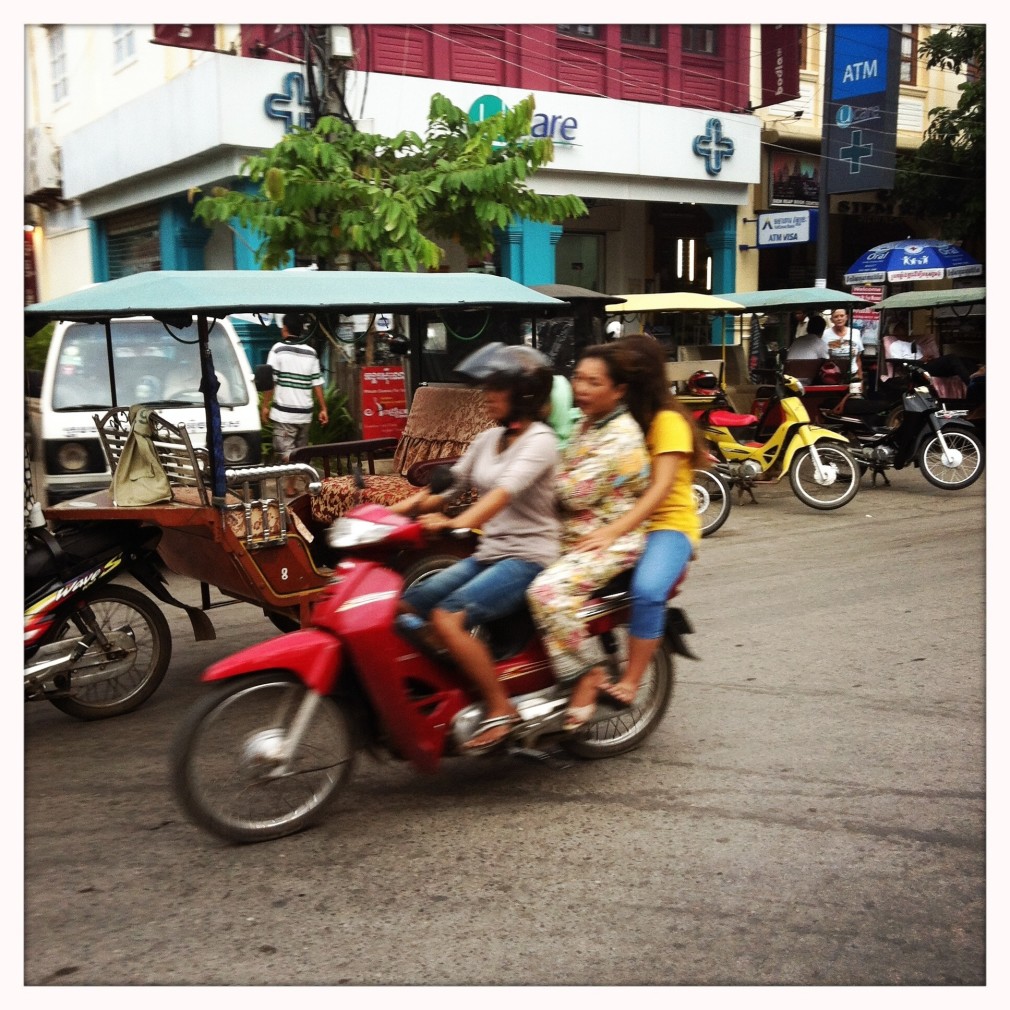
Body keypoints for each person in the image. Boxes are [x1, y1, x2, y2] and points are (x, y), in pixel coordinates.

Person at [391, 343, 561, 753]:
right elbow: (443, 490)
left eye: (496, 387)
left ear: (524, 394)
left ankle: (501, 707)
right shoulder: (487, 439)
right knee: (399, 608)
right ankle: (461, 675)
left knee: (448, 618)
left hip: (528, 558)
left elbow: (500, 495)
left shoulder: (541, 441)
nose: (486, 396)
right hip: (489, 554)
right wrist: (383, 519)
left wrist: (457, 523)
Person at [548, 334, 707, 723]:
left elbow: (659, 491)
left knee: (648, 590)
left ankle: (632, 681)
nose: (586, 387)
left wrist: (612, 531)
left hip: (666, 526)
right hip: (625, 520)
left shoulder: (668, 421)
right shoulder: (620, 418)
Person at [526, 344, 651, 730]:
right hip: (569, 534)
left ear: (618, 391)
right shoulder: (584, 423)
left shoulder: (622, 437)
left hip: (610, 540)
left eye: (594, 382)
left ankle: (588, 671)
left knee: (546, 593)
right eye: (578, 378)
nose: (581, 387)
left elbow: (573, 492)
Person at [261, 313, 328, 496]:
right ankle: (293, 485)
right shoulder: (311, 353)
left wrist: (265, 405)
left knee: (286, 452)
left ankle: (307, 477)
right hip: (305, 414)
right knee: (298, 451)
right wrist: (323, 408)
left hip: (284, 414)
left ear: (285, 329)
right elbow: (317, 383)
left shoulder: (278, 350)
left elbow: (270, 380)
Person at [827, 308, 864, 390]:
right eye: (836, 317)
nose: (839, 318)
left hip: (853, 375)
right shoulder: (825, 334)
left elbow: (858, 359)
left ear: (846, 317)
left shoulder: (855, 333)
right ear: (831, 320)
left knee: (855, 398)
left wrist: (860, 378)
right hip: (833, 376)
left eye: (842, 316)